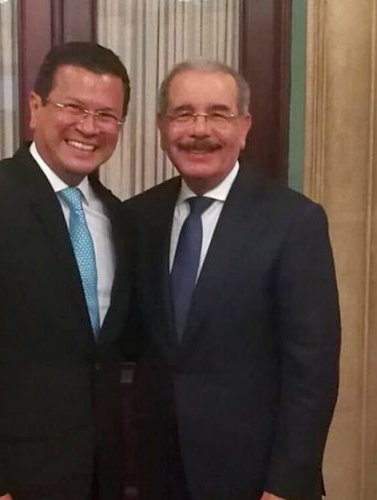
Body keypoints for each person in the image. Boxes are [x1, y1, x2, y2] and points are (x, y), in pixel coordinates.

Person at [0, 41, 131, 500]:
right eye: (73, 107)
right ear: (35, 108)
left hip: (97, 476)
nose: (88, 127)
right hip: (9, 480)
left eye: (106, 115)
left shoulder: (115, 216)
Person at [126, 59, 340, 500]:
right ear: (162, 127)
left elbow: (312, 372)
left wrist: (286, 485)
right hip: (159, 474)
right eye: (183, 113)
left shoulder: (294, 222)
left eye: (218, 114)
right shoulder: (138, 218)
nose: (199, 129)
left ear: (244, 127)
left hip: (256, 479)